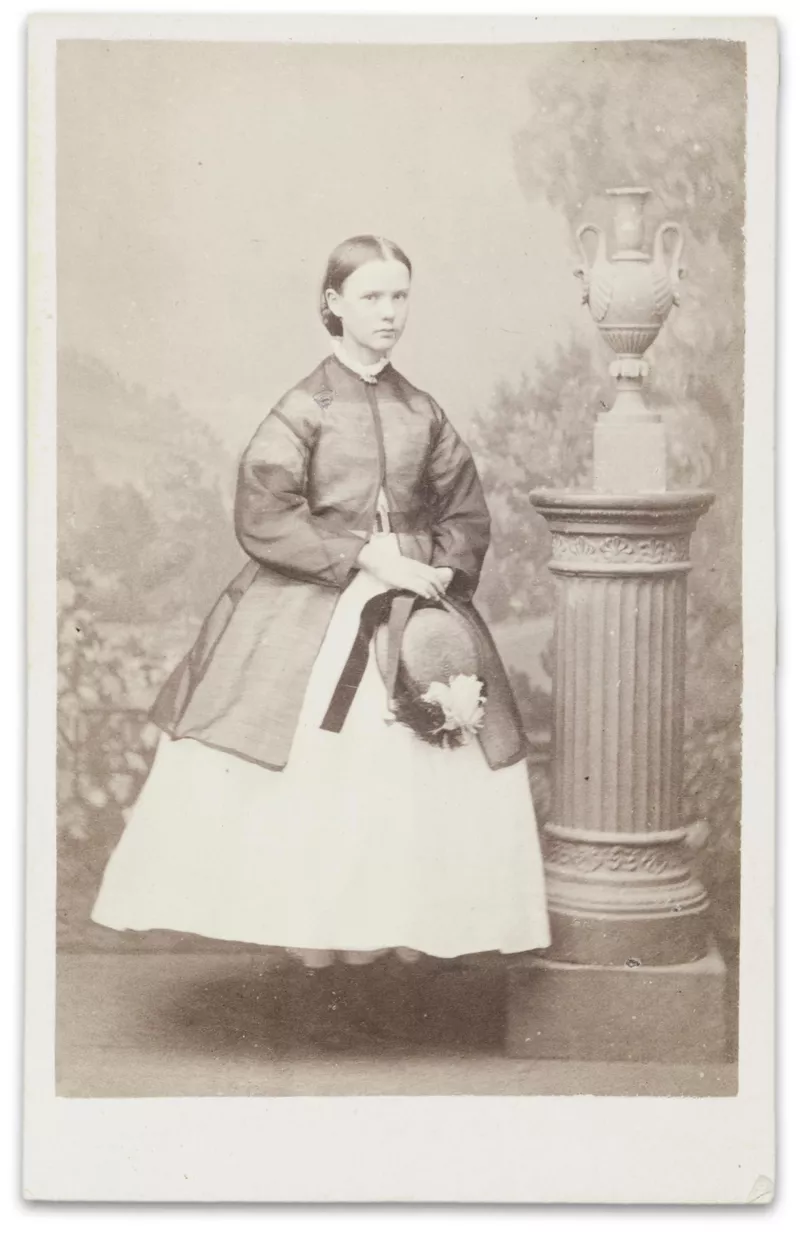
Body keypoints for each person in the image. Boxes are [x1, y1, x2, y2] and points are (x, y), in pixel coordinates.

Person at [91, 235, 551, 1045]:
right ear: (334, 303)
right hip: (314, 602)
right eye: (372, 297)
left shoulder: (423, 411)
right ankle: (318, 970)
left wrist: (440, 572)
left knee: (417, 779)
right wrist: (364, 558)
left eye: (399, 297)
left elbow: (465, 511)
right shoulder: (303, 407)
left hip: (417, 610)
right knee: (317, 778)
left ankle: (398, 960)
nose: (389, 314)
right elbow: (264, 510)